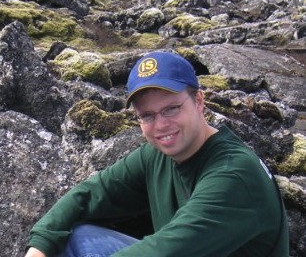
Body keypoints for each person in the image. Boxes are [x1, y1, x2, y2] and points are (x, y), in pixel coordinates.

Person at [25, 51, 289, 257]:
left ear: (199, 101)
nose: (161, 125)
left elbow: (163, 251)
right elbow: (88, 194)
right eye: (147, 115)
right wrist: (39, 247)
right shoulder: (157, 155)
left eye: (171, 109)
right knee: (74, 236)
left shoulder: (234, 175)